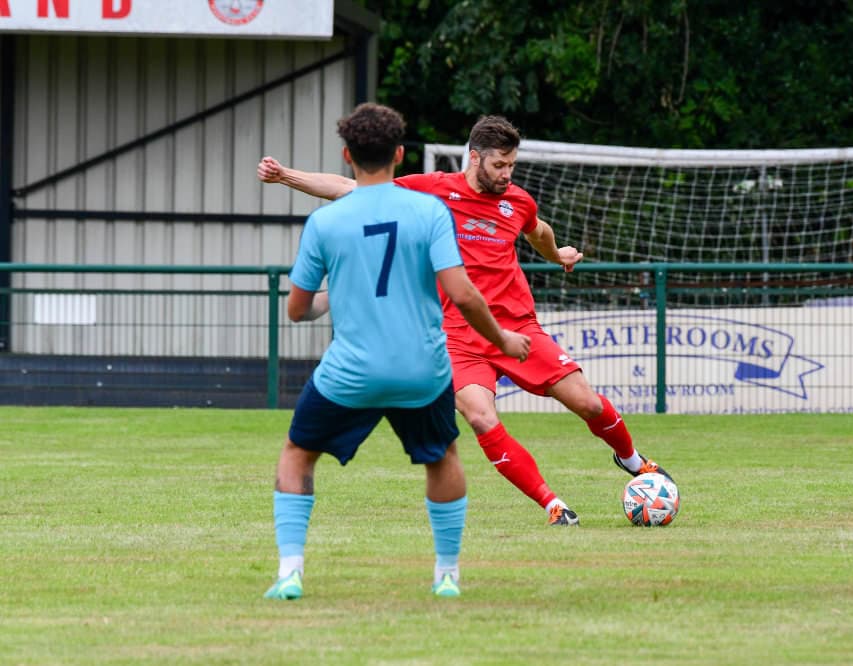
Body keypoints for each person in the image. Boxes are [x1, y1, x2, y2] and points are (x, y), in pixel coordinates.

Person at [258, 115, 673, 528]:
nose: (507, 174)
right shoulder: (433, 190)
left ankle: (632, 460)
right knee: (481, 417)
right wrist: (285, 176)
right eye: (499, 165)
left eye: (512, 165)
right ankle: (554, 506)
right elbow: (351, 188)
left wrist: (557, 254)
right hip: (457, 337)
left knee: (587, 403)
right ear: (474, 158)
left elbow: (539, 231)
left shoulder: (518, 201)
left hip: (518, 328)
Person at [264, 103, 531, 601]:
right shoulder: (429, 212)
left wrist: (332, 295)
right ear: (400, 154)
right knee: (443, 456)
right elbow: (463, 293)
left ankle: (290, 573)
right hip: (421, 370)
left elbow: (298, 310)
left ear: (347, 156)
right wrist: (503, 340)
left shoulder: (326, 222)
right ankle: (447, 575)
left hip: (352, 372)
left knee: (297, 455)